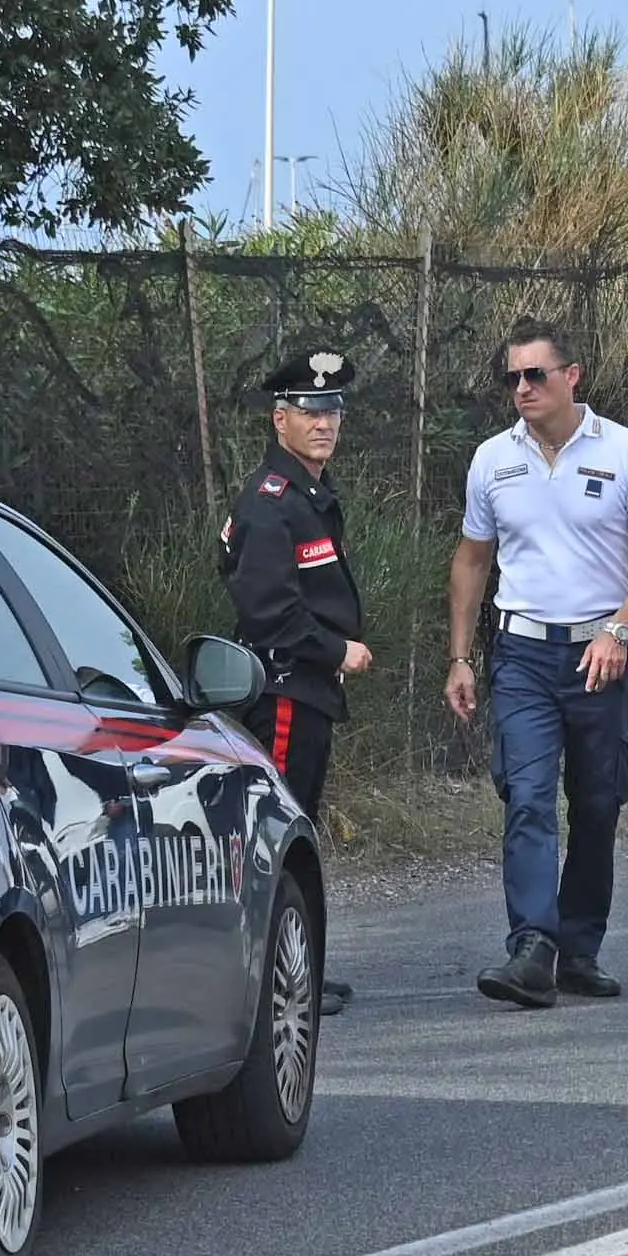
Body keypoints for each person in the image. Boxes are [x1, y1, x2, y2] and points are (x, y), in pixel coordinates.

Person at [443, 321, 628, 1008]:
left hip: (598, 653)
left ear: (572, 376)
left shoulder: (625, 452)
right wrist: (460, 657)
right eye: (512, 377)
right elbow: (471, 560)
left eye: (535, 375)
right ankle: (531, 946)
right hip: (520, 652)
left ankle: (578, 948)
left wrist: (619, 629)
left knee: (599, 803)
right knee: (527, 797)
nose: (522, 388)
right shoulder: (493, 460)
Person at [218, 347, 371, 1013]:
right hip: (284, 689)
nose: (324, 423)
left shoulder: (309, 494)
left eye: (332, 410)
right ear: (280, 419)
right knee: (276, 837)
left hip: (308, 693)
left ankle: (298, 969)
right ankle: (275, 983)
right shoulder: (269, 503)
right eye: (310, 412)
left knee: (294, 832)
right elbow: (270, 614)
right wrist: (338, 650)